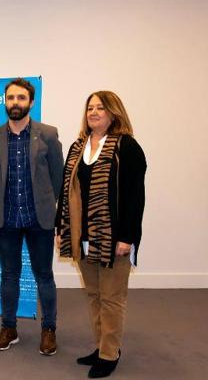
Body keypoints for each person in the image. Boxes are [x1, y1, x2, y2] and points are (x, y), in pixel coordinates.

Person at [56, 91, 146, 378]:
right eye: (90, 108)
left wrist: (127, 237)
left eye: (100, 107)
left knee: (111, 298)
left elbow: (135, 197)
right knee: (94, 295)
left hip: (113, 239)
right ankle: (102, 346)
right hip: (82, 236)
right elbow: (65, 191)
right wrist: (62, 228)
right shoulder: (78, 146)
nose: (93, 112)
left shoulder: (127, 147)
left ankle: (109, 354)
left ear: (114, 112)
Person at [0, 78, 64, 355]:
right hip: (7, 220)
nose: (15, 103)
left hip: (39, 219)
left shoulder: (48, 135)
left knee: (44, 276)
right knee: (9, 275)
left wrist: (47, 204)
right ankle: (9, 328)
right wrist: (2, 201)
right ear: (5, 101)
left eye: (21, 98)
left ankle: (49, 329)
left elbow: (58, 177)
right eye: (11, 98)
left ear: (31, 102)